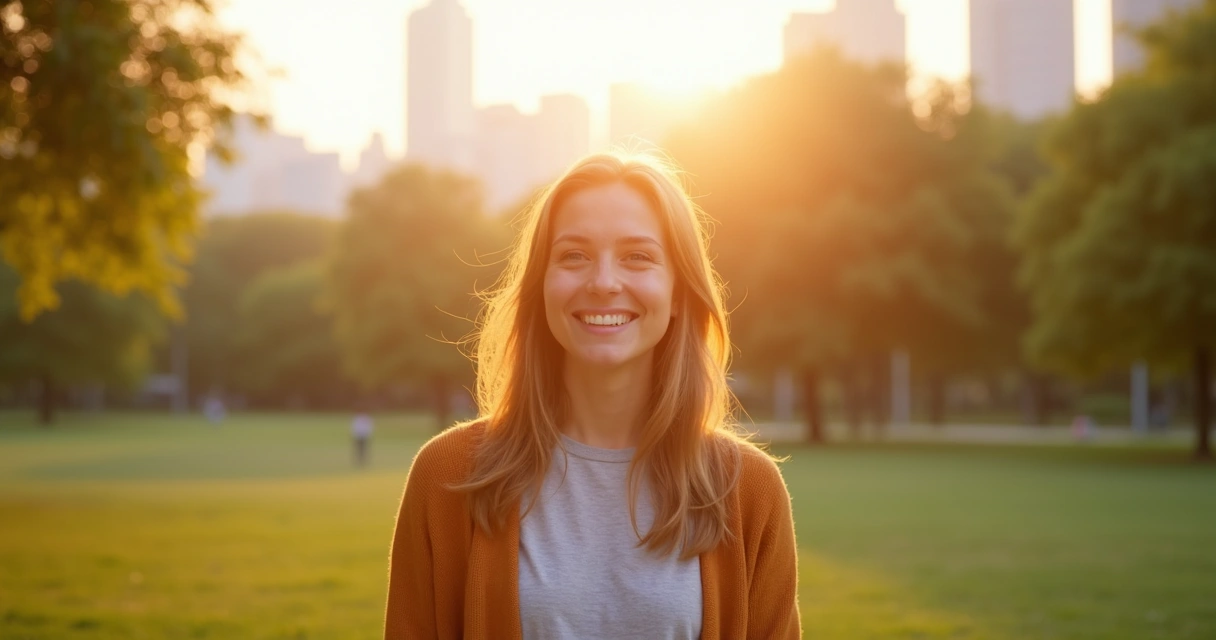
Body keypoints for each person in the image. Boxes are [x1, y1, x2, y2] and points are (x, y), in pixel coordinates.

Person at [384, 152, 800, 639]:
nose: (603, 282)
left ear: (679, 295)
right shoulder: (448, 477)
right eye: (574, 256)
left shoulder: (748, 490)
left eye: (637, 257)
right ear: (542, 286)